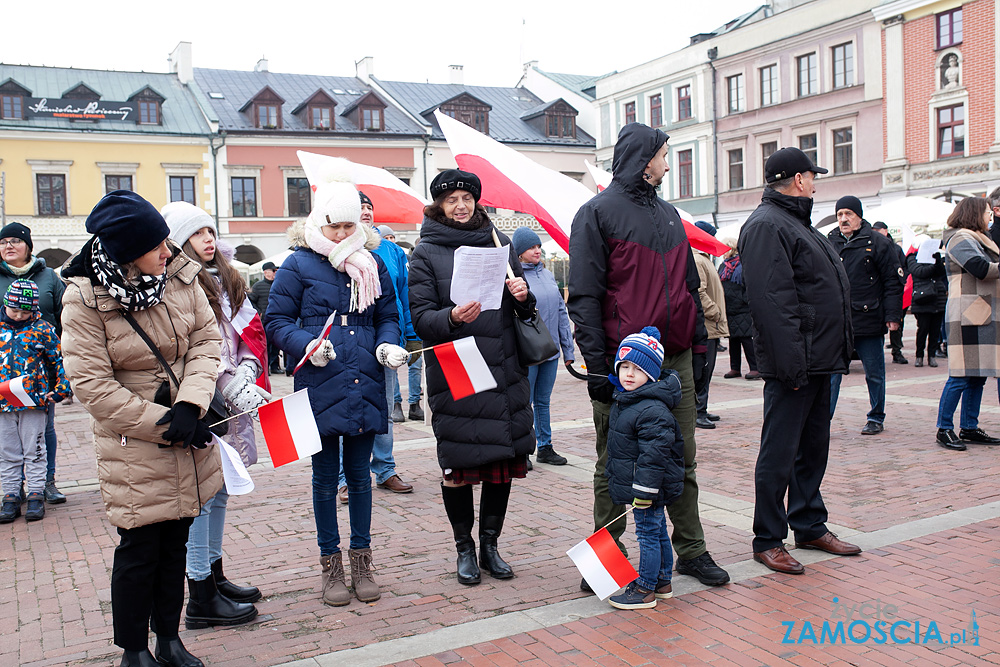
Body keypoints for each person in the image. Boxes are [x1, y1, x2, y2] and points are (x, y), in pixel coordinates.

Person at [61, 190, 223, 667]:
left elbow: (205, 339)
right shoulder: (84, 296)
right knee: (139, 548)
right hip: (134, 443)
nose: (169, 251)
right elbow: (91, 385)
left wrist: (192, 405)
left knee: (176, 542)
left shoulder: (178, 275)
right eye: (157, 246)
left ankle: (170, 639)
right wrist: (164, 424)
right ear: (130, 249)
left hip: (186, 431)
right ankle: (134, 650)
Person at [568, 122, 729, 588]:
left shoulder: (670, 215)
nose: (666, 162)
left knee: (681, 459)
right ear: (643, 161)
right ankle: (606, 557)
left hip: (673, 358)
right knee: (613, 464)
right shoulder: (596, 213)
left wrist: (698, 346)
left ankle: (692, 550)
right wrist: (599, 368)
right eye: (662, 154)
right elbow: (584, 296)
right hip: (624, 366)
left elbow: (688, 289)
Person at [266, 160, 405, 607]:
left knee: (361, 478)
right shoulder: (297, 264)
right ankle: (331, 564)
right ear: (319, 223)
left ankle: (362, 558)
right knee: (325, 479)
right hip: (320, 379)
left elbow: (387, 317)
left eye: (350, 226)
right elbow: (277, 321)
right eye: (336, 226)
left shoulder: (373, 264)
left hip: (364, 377)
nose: (344, 235)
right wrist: (307, 344)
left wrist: (387, 346)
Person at [408, 169, 535, 586]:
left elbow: (525, 310)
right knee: (460, 463)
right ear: (438, 205)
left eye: (467, 197)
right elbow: (421, 319)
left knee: (502, 459)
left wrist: (523, 297)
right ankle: (464, 548)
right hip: (458, 364)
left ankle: (490, 546)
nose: (460, 205)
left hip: (503, 365)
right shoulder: (425, 252)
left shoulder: (499, 241)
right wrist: (451, 316)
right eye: (451, 199)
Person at [739, 147, 862, 575]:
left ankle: (808, 523)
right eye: (812, 175)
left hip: (818, 359)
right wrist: (790, 366)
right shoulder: (767, 225)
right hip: (795, 363)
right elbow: (772, 304)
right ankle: (768, 538)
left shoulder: (795, 221)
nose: (815, 182)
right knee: (780, 451)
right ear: (797, 179)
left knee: (813, 447)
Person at [162, 201, 268, 629]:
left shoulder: (227, 280)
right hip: (203, 402)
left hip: (231, 399)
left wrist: (247, 366)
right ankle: (200, 594)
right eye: (197, 233)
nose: (209, 239)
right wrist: (228, 380)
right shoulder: (176, 286)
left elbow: (245, 334)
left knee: (220, 490)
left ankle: (215, 576)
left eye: (210, 231)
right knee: (202, 498)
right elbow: (193, 350)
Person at [336, 192, 414, 501]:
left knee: (382, 406)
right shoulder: (334, 250)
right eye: (360, 208)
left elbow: (402, 295)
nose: (366, 212)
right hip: (346, 344)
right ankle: (345, 476)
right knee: (346, 409)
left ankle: (385, 469)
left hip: (385, 339)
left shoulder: (392, 251)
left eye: (369, 207)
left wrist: (407, 333)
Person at [604, 327, 684, 610]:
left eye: (637, 368)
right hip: (645, 485)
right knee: (657, 528)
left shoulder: (651, 409)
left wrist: (644, 490)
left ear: (650, 374)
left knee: (647, 532)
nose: (628, 373)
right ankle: (662, 581)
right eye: (624, 366)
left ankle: (645, 586)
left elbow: (654, 455)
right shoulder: (630, 399)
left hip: (647, 487)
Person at [0, 222, 67, 504]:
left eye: (15, 240)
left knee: (42, 430)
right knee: (8, 441)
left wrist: (61, 365)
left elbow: (68, 315)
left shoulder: (49, 277)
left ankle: (45, 483)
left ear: (28, 245)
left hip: (39, 367)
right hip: (5, 378)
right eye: (3, 242)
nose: (8, 246)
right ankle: (13, 491)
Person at [826, 195, 903, 435]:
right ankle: (822, 421)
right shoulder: (829, 241)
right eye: (840, 215)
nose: (843, 219)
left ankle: (876, 417)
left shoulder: (878, 243)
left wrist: (893, 316)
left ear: (859, 216)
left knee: (874, 373)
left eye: (848, 214)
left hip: (869, 318)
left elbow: (893, 281)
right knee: (831, 375)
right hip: (838, 321)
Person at [934, 197, 1000, 451]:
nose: (989, 217)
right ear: (974, 213)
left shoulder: (977, 237)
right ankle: (944, 428)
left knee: (977, 376)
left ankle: (969, 427)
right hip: (967, 313)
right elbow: (980, 268)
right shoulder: (960, 238)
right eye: (986, 212)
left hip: (981, 311)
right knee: (960, 375)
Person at [513, 226, 573, 466]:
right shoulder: (515, 278)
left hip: (550, 350)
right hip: (528, 350)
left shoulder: (548, 275)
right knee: (524, 402)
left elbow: (561, 311)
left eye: (538, 246)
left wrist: (568, 350)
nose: (537, 251)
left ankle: (545, 447)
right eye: (531, 247)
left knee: (543, 401)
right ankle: (523, 450)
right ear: (519, 253)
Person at [692, 221, 728, 429]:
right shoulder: (698, 260)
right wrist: (715, 312)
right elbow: (699, 291)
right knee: (703, 369)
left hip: (710, 326)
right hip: (707, 325)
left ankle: (702, 408)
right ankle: (698, 411)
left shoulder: (704, 259)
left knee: (707, 369)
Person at [717, 239, 760, 381]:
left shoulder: (742, 264)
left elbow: (749, 285)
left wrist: (744, 300)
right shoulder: (723, 266)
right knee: (733, 340)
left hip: (742, 308)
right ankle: (735, 368)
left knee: (747, 339)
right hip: (729, 308)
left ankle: (755, 368)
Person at [907, 238, 947, 368]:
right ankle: (919, 356)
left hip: (937, 298)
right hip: (922, 299)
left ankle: (932, 356)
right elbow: (919, 272)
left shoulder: (935, 257)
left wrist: (937, 261)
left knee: (935, 330)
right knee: (923, 329)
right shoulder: (912, 258)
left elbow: (941, 273)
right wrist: (934, 265)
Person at [873, 221, 909, 364]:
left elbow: (904, 268)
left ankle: (896, 350)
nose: (876, 232)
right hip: (876, 293)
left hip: (891, 291)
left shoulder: (895, 249)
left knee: (896, 323)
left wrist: (901, 281)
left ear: (886, 231)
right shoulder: (872, 245)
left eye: (878, 230)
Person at [250, 261, 281, 373]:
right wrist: (259, 312)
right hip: (264, 321)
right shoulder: (258, 286)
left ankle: (274, 366)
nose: (274, 273)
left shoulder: (278, 284)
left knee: (276, 345)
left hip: (276, 319)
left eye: (275, 271)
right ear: (265, 272)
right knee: (265, 346)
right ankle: (265, 368)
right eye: (273, 271)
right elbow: (250, 301)